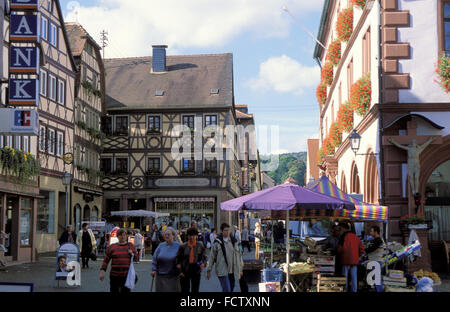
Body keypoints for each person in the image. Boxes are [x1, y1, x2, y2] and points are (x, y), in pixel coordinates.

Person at [206, 223, 244, 292]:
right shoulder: (217, 242)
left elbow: (239, 256)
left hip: (232, 270)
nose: (227, 232)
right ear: (221, 231)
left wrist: (240, 269)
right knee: (227, 290)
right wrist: (209, 270)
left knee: (231, 288)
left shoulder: (234, 241)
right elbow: (211, 257)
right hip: (222, 270)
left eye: (228, 230)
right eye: (225, 230)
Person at [100, 228, 138, 293]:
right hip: (114, 275)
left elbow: (136, 259)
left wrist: (132, 253)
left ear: (126, 236)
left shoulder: (130, 246)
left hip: (126, 275)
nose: (122, 237)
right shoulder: (112, 247)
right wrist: (102, 271)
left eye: (124, 235)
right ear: (117, 236)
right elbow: (106, 260)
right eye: (120, 235)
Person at [176, 227, 207, 293]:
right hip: (185, 269)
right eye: (190, 235)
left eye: (193, 235)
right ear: (187, 236)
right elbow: (178, 259)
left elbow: (204, 257)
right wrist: (180, 271)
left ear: (196, 236)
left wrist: (203, 264)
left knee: (195, 289)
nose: (191, 237)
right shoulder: (183, 246)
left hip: (196, 269)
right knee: (184, 289)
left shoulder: (200, 245)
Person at [152, 227, 181, 292]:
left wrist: (180, 267)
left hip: (173, 276)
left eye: (169, 234)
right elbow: (155, 258)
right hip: (160, 276)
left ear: (173, 235)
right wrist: (153, 269)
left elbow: (182, 258)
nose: (167, 236)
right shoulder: (161, 245)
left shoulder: (178, 246)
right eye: (165, 234)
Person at [337, 223, 364, 292]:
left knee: (344, 278)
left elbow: (340, 249)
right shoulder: (356, 236)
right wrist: (358, 256)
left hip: (345, 260)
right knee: (354, 277)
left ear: (343, 228)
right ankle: (354, 290)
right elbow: (361, 249)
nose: (340, 230)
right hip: (354, 261)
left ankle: (344, 290)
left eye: (340, 229)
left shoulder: (343, 237)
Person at [364, 225, 386, 292]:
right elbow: (369, 249)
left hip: (376, 262)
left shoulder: (378, 240)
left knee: (377, 280)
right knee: (375, 280)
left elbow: (370, 249)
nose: (370, 233)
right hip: (373, 261)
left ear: (376, 232)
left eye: (371, 231)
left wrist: (366, 250)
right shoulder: (374, 240)